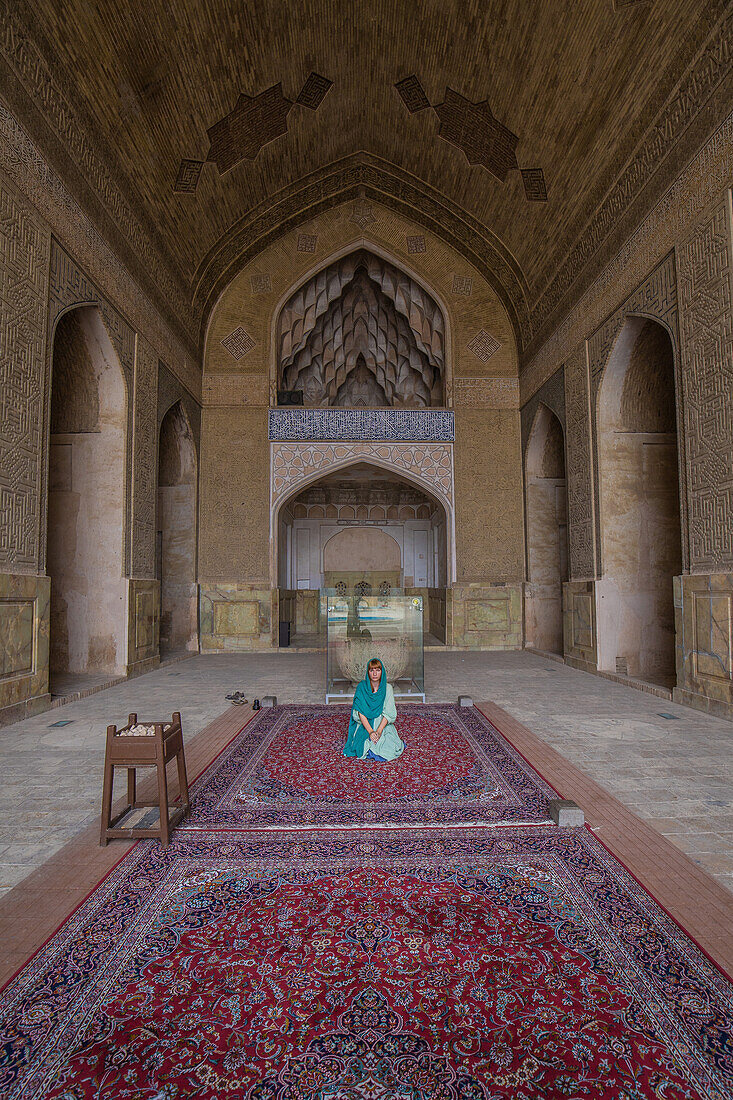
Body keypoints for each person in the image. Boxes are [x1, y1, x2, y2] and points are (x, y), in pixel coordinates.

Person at [344, 657, 405, 762]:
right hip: (366, 724)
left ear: (382, 672)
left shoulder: (388, 688)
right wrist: (371, 731)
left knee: (389, 747)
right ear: (368, 672)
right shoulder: (361, 687)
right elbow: (359, 713)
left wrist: (379, 731)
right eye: (372, 670)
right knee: (364, 745)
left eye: (378, 670)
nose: (375, 674)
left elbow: (389, 713)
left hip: (382, 723)